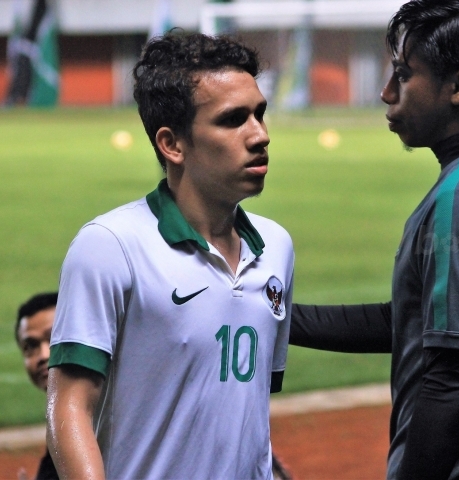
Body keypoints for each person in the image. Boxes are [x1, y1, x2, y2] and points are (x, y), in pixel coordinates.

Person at [289, 1, 459, 479]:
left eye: (404, 74)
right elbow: (416, 322)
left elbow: (451, 380)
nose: (385, 92)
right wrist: (271, 312)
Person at [46, 31, 294, 480]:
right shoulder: (110, 245)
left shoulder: (276, 248)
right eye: (233, 119)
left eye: (259, 113)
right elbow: (71, 406)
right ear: (172, 144)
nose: (260, 135)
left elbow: (249, 407)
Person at [15, 292, 59, 480]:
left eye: (54, 337)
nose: (43, 355)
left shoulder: (103, 412)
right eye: (30, 346)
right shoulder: (59, 411)